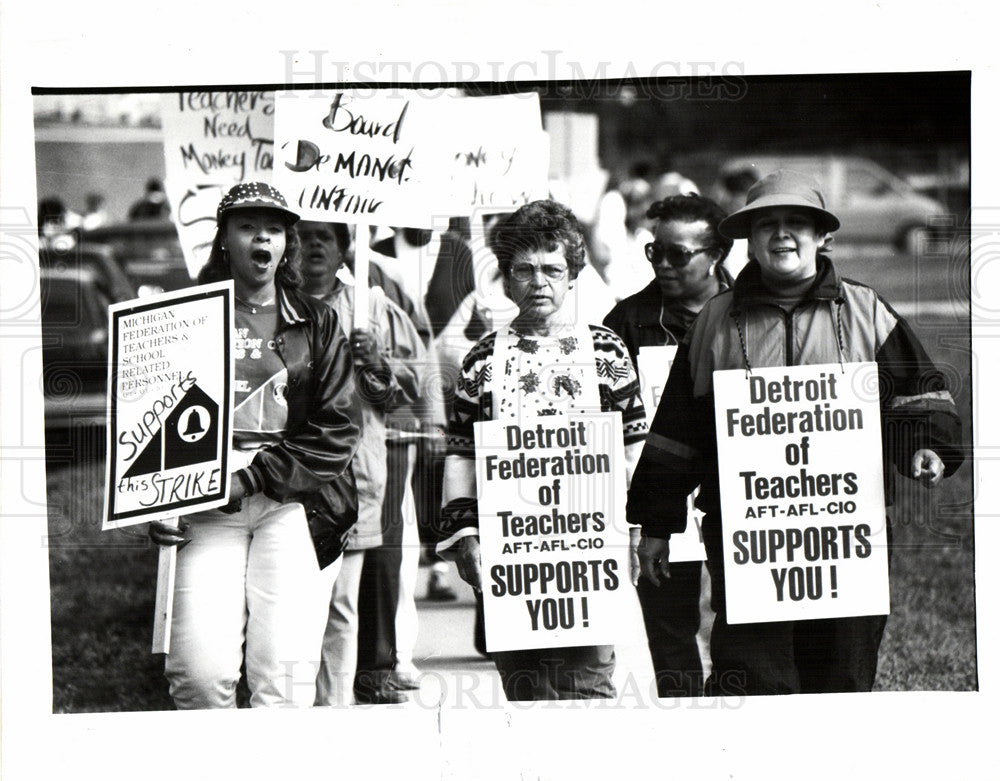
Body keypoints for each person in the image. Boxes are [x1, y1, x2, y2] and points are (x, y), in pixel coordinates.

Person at [627, 170, 964, 696]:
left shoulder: (865, 310)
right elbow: (676, 433)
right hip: (746, 539)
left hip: (847, 539)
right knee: (751, 677)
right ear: (749, 238)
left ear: (822, 235)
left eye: (796, 223)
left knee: (841, 676)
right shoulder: (714, 322)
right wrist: (655, 524)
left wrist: (927, 447)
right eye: (767, 224)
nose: (781, 234)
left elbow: (918, 395)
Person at [149, 183, 361, 709]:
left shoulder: (318, 321)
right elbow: (149, 426)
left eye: (273, 227)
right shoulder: (181, 318)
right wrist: (150, 496)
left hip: (295, 502)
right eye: (247, 226)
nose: (261, 236)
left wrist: (251, 478)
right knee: (198, 675)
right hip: (203, 497)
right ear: (224, 239)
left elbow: (337, 430)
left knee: (283, 684)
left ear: (286, 243)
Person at [436, 199, 648, 701]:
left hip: (590, 550)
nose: (540, 282)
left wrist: (638, 524)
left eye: (553, 269)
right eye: (524, 270)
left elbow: (634, 445)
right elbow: (462, 454)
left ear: (573, 274)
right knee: (526, 692)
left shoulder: (606, 351)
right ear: (505, 280)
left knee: (588, 686)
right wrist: (465, 533)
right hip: (512, 554)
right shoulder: (483, 359)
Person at [603, 193, 734, 697]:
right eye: (655, 251)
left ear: (715, 255)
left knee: (738, 622)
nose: (662, 264)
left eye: (678, 254)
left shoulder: (748, 312)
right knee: (670, 627)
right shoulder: (626, 323)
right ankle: (687, 733)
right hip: (659, 498)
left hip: (736, 494)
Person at [295, 220, 426, 706]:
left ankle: (335, 711)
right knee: (289, 608)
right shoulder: (274, 308)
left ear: (344, 248)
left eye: (323, 237)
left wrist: (377, 362)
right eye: (302, 235)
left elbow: (409, 389)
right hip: (285, 482)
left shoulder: (370, 309)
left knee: (341, 607)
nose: (311, 245)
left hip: (351, 480)